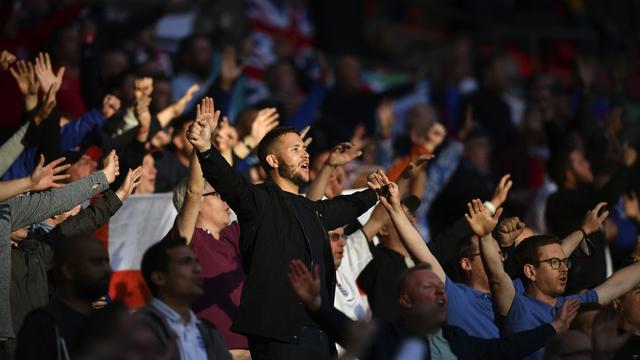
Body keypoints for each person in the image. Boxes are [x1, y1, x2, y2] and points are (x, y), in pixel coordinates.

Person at [187, 97, 382, 359]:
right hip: (279, 338)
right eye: (295, 149)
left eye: (304, 148)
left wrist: (376, 193)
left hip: (322, 336)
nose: (305, 154)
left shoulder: (312, 209)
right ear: (273, 161)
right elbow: (230, 182)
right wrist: (206, 149)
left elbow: (347, 206)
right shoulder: (259, 200)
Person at [288, 259, 578, 360]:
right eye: (428, 288)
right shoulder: (386, 336)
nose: (440, 292)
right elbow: (346, 328)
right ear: (406, 302)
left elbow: (504, 349)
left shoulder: (457, 339)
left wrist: (553, 328)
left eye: (440, 288)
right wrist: (316, 304)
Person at [476, 198, 640, 360]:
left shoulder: (571, 304)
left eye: (565, 262)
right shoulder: (516, 304)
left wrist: (584, 230)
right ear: (530, 272)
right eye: (555, 263)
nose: (564, 268)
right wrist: (484, 237)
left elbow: (617, 284)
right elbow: (497, 276)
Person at [7, 166, 141, 356]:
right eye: (19, 211)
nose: (26, 219)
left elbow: (73, 228)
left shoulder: (36, 250)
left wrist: (117, 197)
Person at [164, 146, 248, 360]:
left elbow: (279, 215)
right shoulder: (187, 240)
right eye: (217, 194)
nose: (225, 199)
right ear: (197, 204)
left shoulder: (232, 236)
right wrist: (200, 146)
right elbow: (193, 192)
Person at [15, 233, 112, 359]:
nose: (106, 269)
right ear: (69, 270)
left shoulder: (109, 322)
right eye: (96, 262)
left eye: (106, 262)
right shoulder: (44, 325)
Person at [137, 237, 231, 360]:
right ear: (159, 278)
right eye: (185, 262)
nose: (198, 269)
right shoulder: (136, 328)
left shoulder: (208, 331)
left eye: (197, 262)